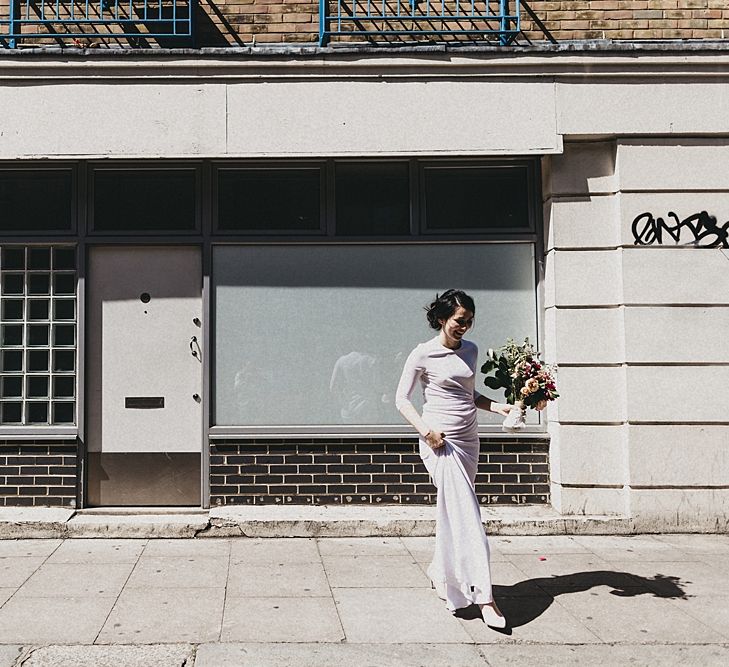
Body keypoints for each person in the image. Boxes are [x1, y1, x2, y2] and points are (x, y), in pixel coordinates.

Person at [395, 289, 512, 628]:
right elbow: (401, 400)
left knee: (454, 513)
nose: (465, 327)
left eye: (470, 322)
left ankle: (441, 573)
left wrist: (498, 406)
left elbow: (469, 393)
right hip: (439, 442)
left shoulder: (471, 351)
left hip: (468, 441)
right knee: (467, 516)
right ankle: (485, 598)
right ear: (443, 318)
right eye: (460, 321)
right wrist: (425, 431)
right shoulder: (423, 354)